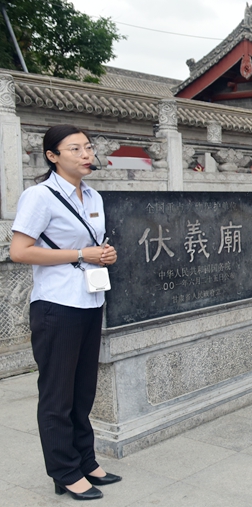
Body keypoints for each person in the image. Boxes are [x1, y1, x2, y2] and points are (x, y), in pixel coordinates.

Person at [9, 125, 120, 500]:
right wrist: (80, 254)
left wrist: (103, 254)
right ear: (52, 156)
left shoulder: (93, 195)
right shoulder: (39, 196)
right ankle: (64, 471)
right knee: (57, 393)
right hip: (56, 305)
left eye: (88, 147)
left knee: (83, 389)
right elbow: (20, 251)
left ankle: (85, 461)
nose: (86, 154)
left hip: (90, 300)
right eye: (75, 148)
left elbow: (92, 243)